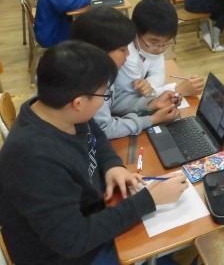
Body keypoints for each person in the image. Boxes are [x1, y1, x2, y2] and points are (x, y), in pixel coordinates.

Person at [0, 41, 188, 264]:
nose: (103, 104)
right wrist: (149, 200)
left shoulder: (57, 110)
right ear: (78, 102)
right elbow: (73, 240)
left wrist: (112, 166)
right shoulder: (35, 161)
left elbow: (95, 133)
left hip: (93, 214)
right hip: (71, 254)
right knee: (169, 239)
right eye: (103, 95)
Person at [71, 7, 181, 139]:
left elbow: (113, 102)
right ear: (100, 50)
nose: (128, 54)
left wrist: (150, 104)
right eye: (122, 49)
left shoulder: (103, 72)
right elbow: (104, 129)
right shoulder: (88, 84)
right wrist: (151, 120)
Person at [115, 0, 205, 105]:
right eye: (154, 42)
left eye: (167, 42)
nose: (160, 49)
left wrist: (150, 84)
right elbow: (136, 98)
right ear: (135, 32)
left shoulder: (149, 48)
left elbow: (158, 74)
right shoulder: (126, 57)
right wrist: (178, 90)